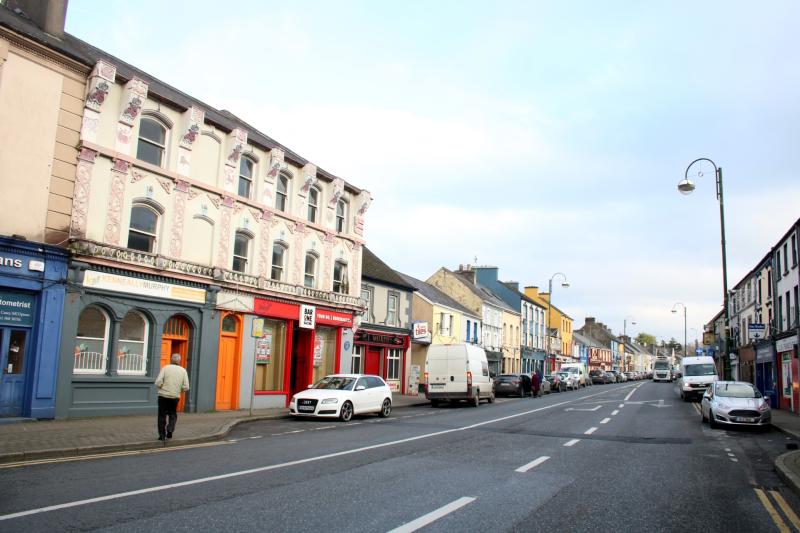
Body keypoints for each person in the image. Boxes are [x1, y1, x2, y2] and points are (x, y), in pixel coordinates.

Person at [155, 353, 190, 441]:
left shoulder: (165, 368)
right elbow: (186, 386)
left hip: (163, 396)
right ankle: (170, 429)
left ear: (171, 360)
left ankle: (162, 435)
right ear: (179, 361)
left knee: (162, 415)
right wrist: (179, 391)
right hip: (174, 397)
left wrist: (160, 388)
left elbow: (158, 381)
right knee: (172, 414)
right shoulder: (183, 371)